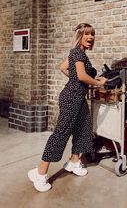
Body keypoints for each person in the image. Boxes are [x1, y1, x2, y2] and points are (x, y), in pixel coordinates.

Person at [28, 23, 107, 192]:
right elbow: (81, 75)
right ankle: (40, 174)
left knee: (84, 129)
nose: (91, 37)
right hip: (71, 98)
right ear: (80, 36)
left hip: (78, 98)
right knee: (61, 134)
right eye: (87, 34)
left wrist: (77, 80)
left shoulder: (78, 53)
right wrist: (97, 82)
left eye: (92, 34)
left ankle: (74, 161)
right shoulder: (77, 52)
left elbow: (63, 68)